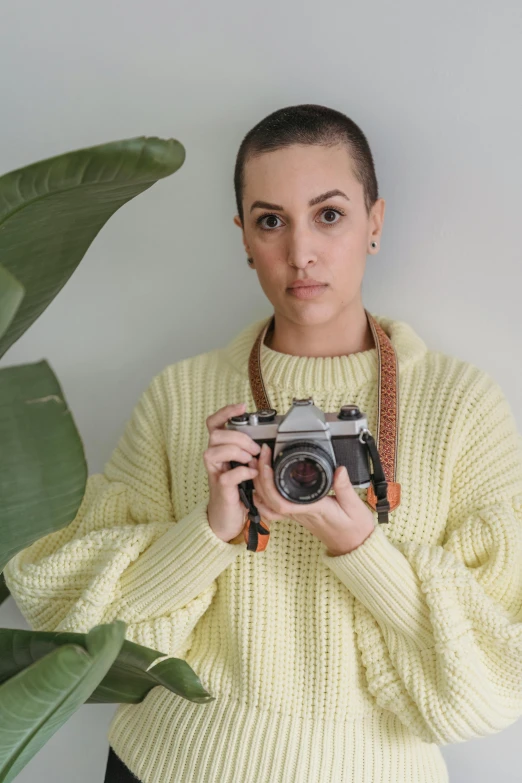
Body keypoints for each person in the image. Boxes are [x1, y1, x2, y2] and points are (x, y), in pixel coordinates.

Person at [4, 104, 522, 783]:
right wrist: (208, 531)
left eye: (329, 214)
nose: (299, 252)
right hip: (170, 765)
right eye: (271, 220)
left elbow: (497, 670)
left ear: (375, 222)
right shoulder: (182, 394)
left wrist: (364, 550)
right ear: (245, 237)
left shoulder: (461, 405)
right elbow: (80, 623)